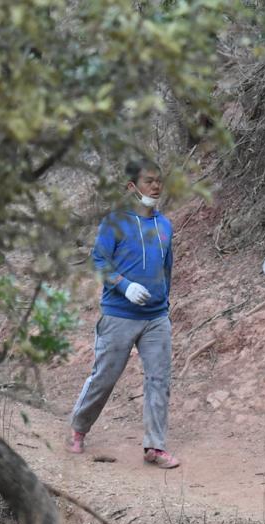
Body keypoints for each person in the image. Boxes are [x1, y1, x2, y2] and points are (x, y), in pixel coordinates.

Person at [66, 159, 180, 469]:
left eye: (159, 181)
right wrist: (125, 286)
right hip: (118, 315)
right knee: (104, 376)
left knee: (159, 379)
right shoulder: (114, 222)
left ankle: (154, 447)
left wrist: (164, 303)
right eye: (148, 181)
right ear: (131, 187)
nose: (156, 187)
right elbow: (99, 263)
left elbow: (167, 267)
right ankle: (79, 428)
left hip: (156, 317)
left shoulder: (165, 225)